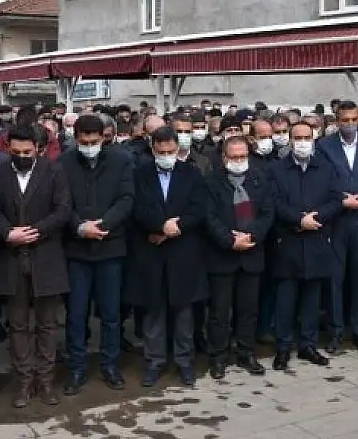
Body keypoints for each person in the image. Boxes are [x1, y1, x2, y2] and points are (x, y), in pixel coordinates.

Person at [0, 125, 72, 408]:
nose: (21, 157)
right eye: (15, 152)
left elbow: (63, 210)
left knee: (48, 325)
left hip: (45, 256)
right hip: (11, 258)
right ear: (7, 149)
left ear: (38, 148)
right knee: (18, 326)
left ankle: (46, 381)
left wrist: (36, 231)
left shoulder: (54, 171)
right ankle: (23, 382)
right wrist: (7, 233)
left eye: (27, 152)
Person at [61, 115, 135, 395]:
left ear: (104, 138)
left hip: (110, 247)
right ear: (76, 138)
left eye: (94, 141)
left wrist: (103, 226)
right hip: (77, 250)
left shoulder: (121, 160)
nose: (89, 146)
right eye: (84, 141)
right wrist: (79, 227)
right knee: (76, 314)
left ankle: (110, 365)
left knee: (111, 314)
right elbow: (61, 203)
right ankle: (77, 368)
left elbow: (127, 199)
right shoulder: (65, 163)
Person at [129, 127, 209, 388]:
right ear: (153, 150)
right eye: (161, 152)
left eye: (170, 151)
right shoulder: (140, 174)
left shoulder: (192, 174)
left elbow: (199, 209)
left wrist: (178, 227)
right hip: (151, 252)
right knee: (154, 311)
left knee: (184, 312)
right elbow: (137, 208)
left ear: (177, 149)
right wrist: (160, 226)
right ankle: (154, 361)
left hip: (183, 252)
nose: (166, 155)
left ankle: (184, 361)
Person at [266, 122, 343, 371]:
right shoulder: (276, 169)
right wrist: (299, 220)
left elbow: (335, 199)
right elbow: (274, 202)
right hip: (288, 241)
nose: (302, 142)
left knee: (312, 296)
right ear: (290, 140)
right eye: (297, 137)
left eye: (306, 137)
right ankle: (283, 346)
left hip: (317, 240)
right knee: (285, 298)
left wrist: (316, 218)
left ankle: (308, 345)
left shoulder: (326, 168)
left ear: (314, 139)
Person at [315, 100, 358, 354]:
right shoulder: (324, 146)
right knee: (335, 278)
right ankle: (335, 332)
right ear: (336, 121)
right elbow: (322, 179)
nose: (349, 124)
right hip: (336, 220)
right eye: (345, 120)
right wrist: (342, 199)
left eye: (353, 119)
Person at [203, 136, 273, 379]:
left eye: (243, 156)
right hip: (222, 256)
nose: (239, 161)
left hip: (251, 254)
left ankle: (246, 352)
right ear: (224, 158)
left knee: (248, 310)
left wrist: (250, 236)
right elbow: (209, 217)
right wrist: (230, 240)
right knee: (220, 312)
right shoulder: (211, 182)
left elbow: (267, 213)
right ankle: (218, 357)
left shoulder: (259, 180)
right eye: (234, 157)